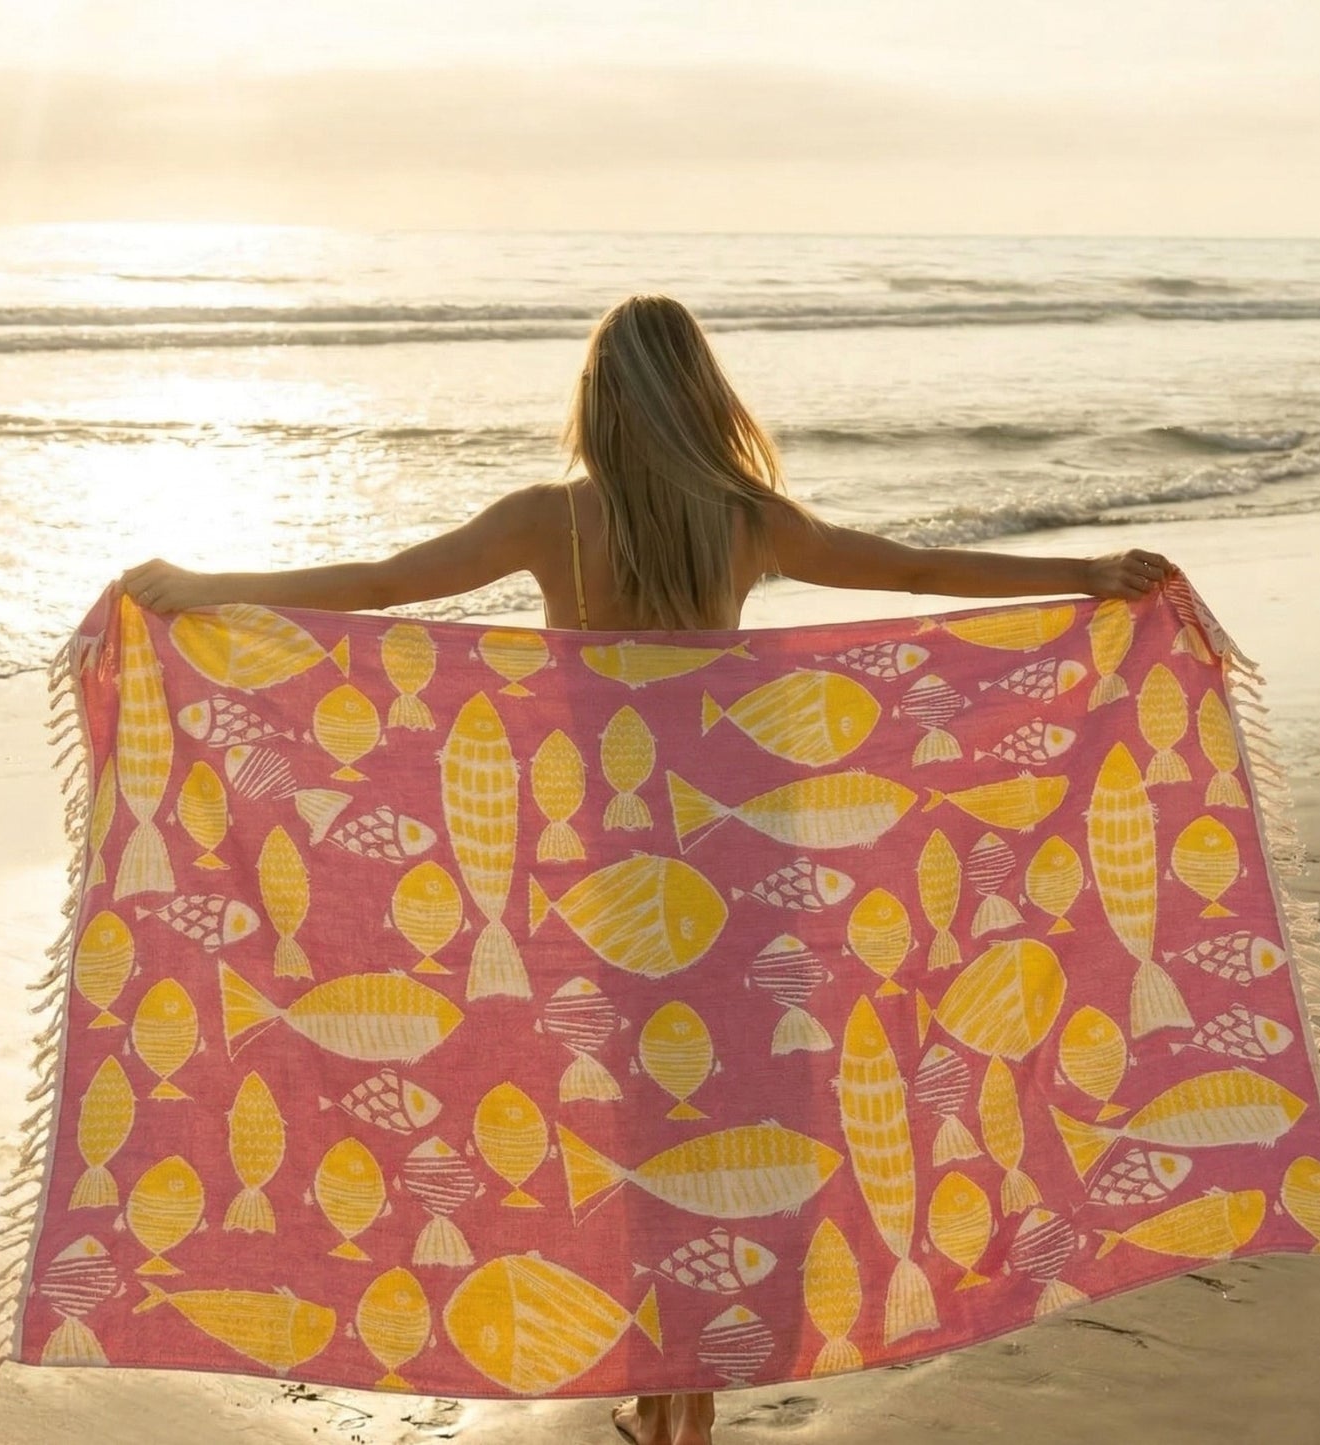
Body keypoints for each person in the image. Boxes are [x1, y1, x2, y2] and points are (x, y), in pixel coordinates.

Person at [123, 293, 1170, 1445]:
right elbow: (913, 570)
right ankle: (693, 1398)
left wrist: (210, 587)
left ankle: (660, 1381)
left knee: (647, 1118)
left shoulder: (547, 519)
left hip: (612, 861)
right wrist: (1092, 570)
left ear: (597, 401)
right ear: (702, 395)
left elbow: (383, 585)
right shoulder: (746, 519)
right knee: (743, 1108)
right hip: (744, 841)